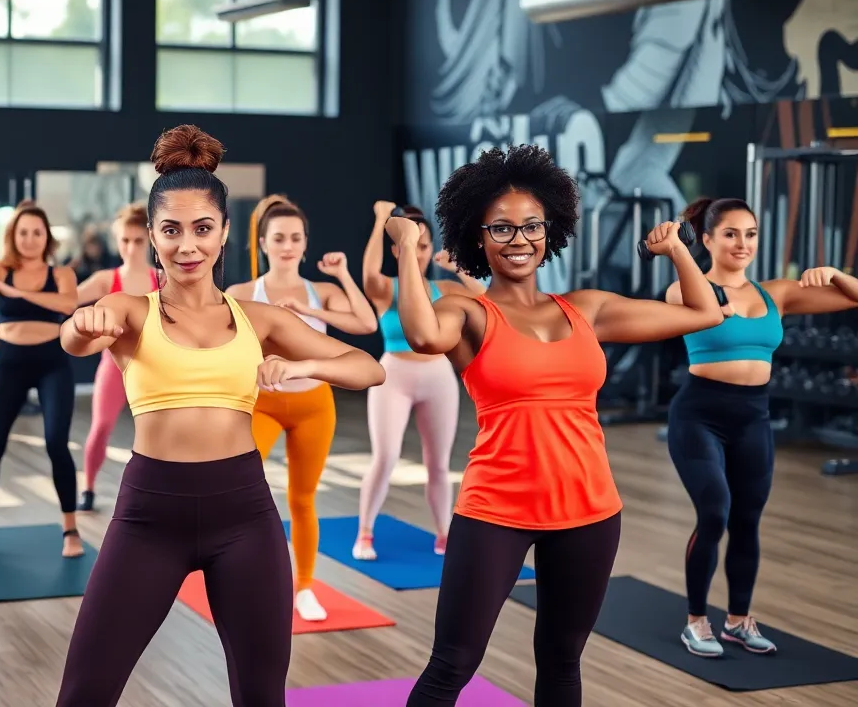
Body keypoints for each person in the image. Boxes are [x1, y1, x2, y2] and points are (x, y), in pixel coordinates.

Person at [54, 125, 385, 707]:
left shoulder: (258, 318)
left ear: (226, 232)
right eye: (172, 230)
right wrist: (83, 325)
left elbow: (367, 367)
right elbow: (74, 337)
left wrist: (303, 367)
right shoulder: (130, 311)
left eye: (203, 228)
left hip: (245, 517)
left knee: (262, 697)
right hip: (148, 519)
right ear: (152, 237)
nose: (188, 245)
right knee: (84, 693)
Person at [390, 145, 723, 706]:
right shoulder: (468, 313)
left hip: (590, 511)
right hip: (497, 510)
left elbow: (704, 313)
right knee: (452, 664)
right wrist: (404, 250)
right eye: (501, 228)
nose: (518, 239)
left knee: (563, 662)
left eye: (531, 226)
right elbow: (423, 335)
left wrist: (677, 251)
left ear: (550, 232)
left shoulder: (584, 309)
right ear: (477, 236)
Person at [664, 196, 858, 658]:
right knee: (714, 512)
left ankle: (737, 621)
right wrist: (694, 277)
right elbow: (682, 299)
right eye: (730, 233)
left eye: (750, 234)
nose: (742, 243)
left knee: (747, 521)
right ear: (707, 239)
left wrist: (833, 273)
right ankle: (696, 622)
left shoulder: (777, 294)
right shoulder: (687, 290)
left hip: (754, 416)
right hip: (698, 416)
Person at [224, 193, 378, 622]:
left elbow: (366, 324)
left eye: (295, 237)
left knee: (303, 499)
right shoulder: (241, 292)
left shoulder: (322, 291)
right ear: (263, 243)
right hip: (263, 405)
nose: (287, 245)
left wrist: (341, 278)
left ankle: (305, 587)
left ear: (305, 244)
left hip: (315, 404)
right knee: (240, 493)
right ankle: (246, 581)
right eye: (279, 237)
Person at [355, 201, 485, 560]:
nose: (421, 252)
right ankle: (364, 533)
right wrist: (381, 219)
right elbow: (367, 275)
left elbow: (487, 301)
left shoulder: (444, 288)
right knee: (386, 457)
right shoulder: (386, 288)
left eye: (426, 245)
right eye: (414, 244)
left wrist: (459, 268)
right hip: (393, 375)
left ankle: (444, 534)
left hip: (437, 376)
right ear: (398, 248)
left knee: (439, 464)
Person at [0, 202, 82, 558]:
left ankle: (71, 529)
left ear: (46, 236)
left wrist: (18, 294)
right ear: (12, 237)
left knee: (55, 443)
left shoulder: (62, 273)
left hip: (52, 364)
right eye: (23, 233)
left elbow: (68, 306)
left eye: (37, 232)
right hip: (9, 364)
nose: (30, 239)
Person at [72, 202, 159, 512]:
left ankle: (154, 493)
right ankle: (89, 487)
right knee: (101, 426)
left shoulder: (161, 279)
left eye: (137, 241)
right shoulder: (105, 279)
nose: (131, 247)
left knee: (157, 432)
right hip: (114, 365)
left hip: (152, 368)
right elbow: (64, 299)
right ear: (117, 240)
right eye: (125, 240)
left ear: (148, 240)